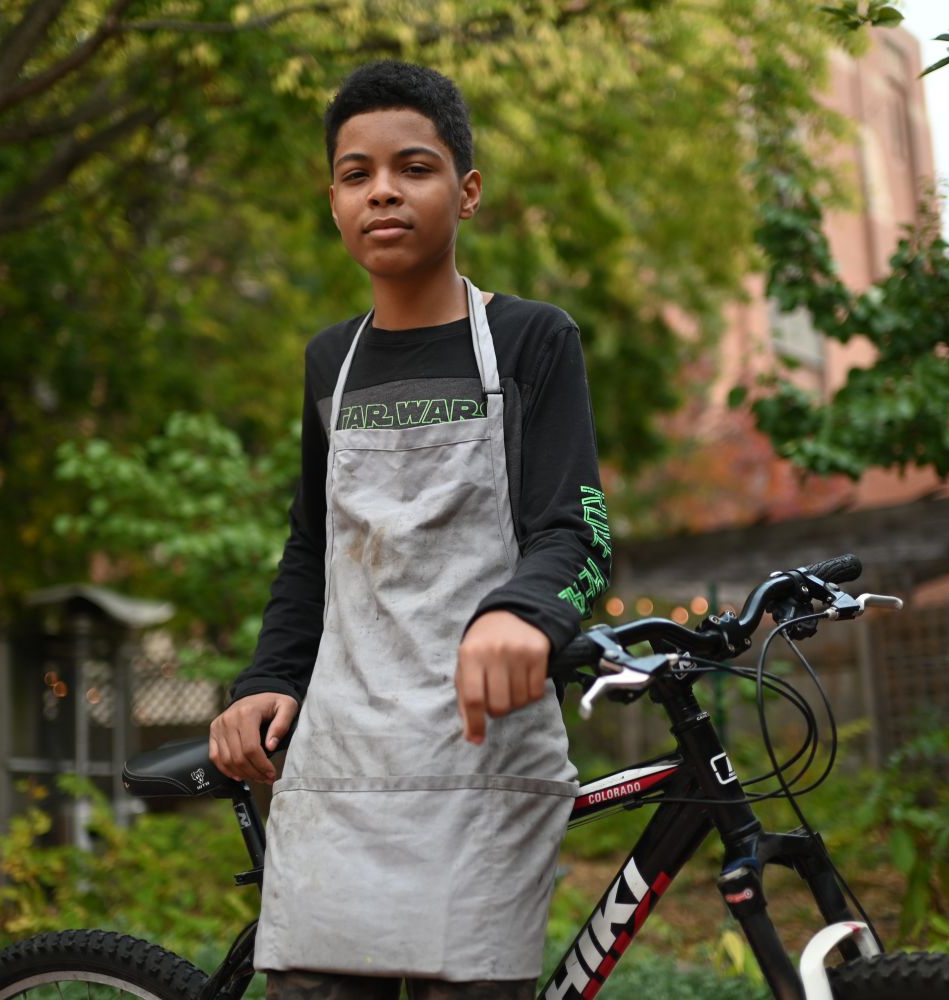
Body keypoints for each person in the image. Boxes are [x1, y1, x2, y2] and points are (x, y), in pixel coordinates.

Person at [208, 60, 612, 999]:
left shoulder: (530, 340)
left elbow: (576, 526)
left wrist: (525, 613)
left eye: (414, 167)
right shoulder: (327, 363)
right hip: (339, 763)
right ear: (335, 200)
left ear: (466, 192)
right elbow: (313, 549)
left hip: (479, 763)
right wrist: (266, 680)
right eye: (357, 173)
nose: (383, 189)